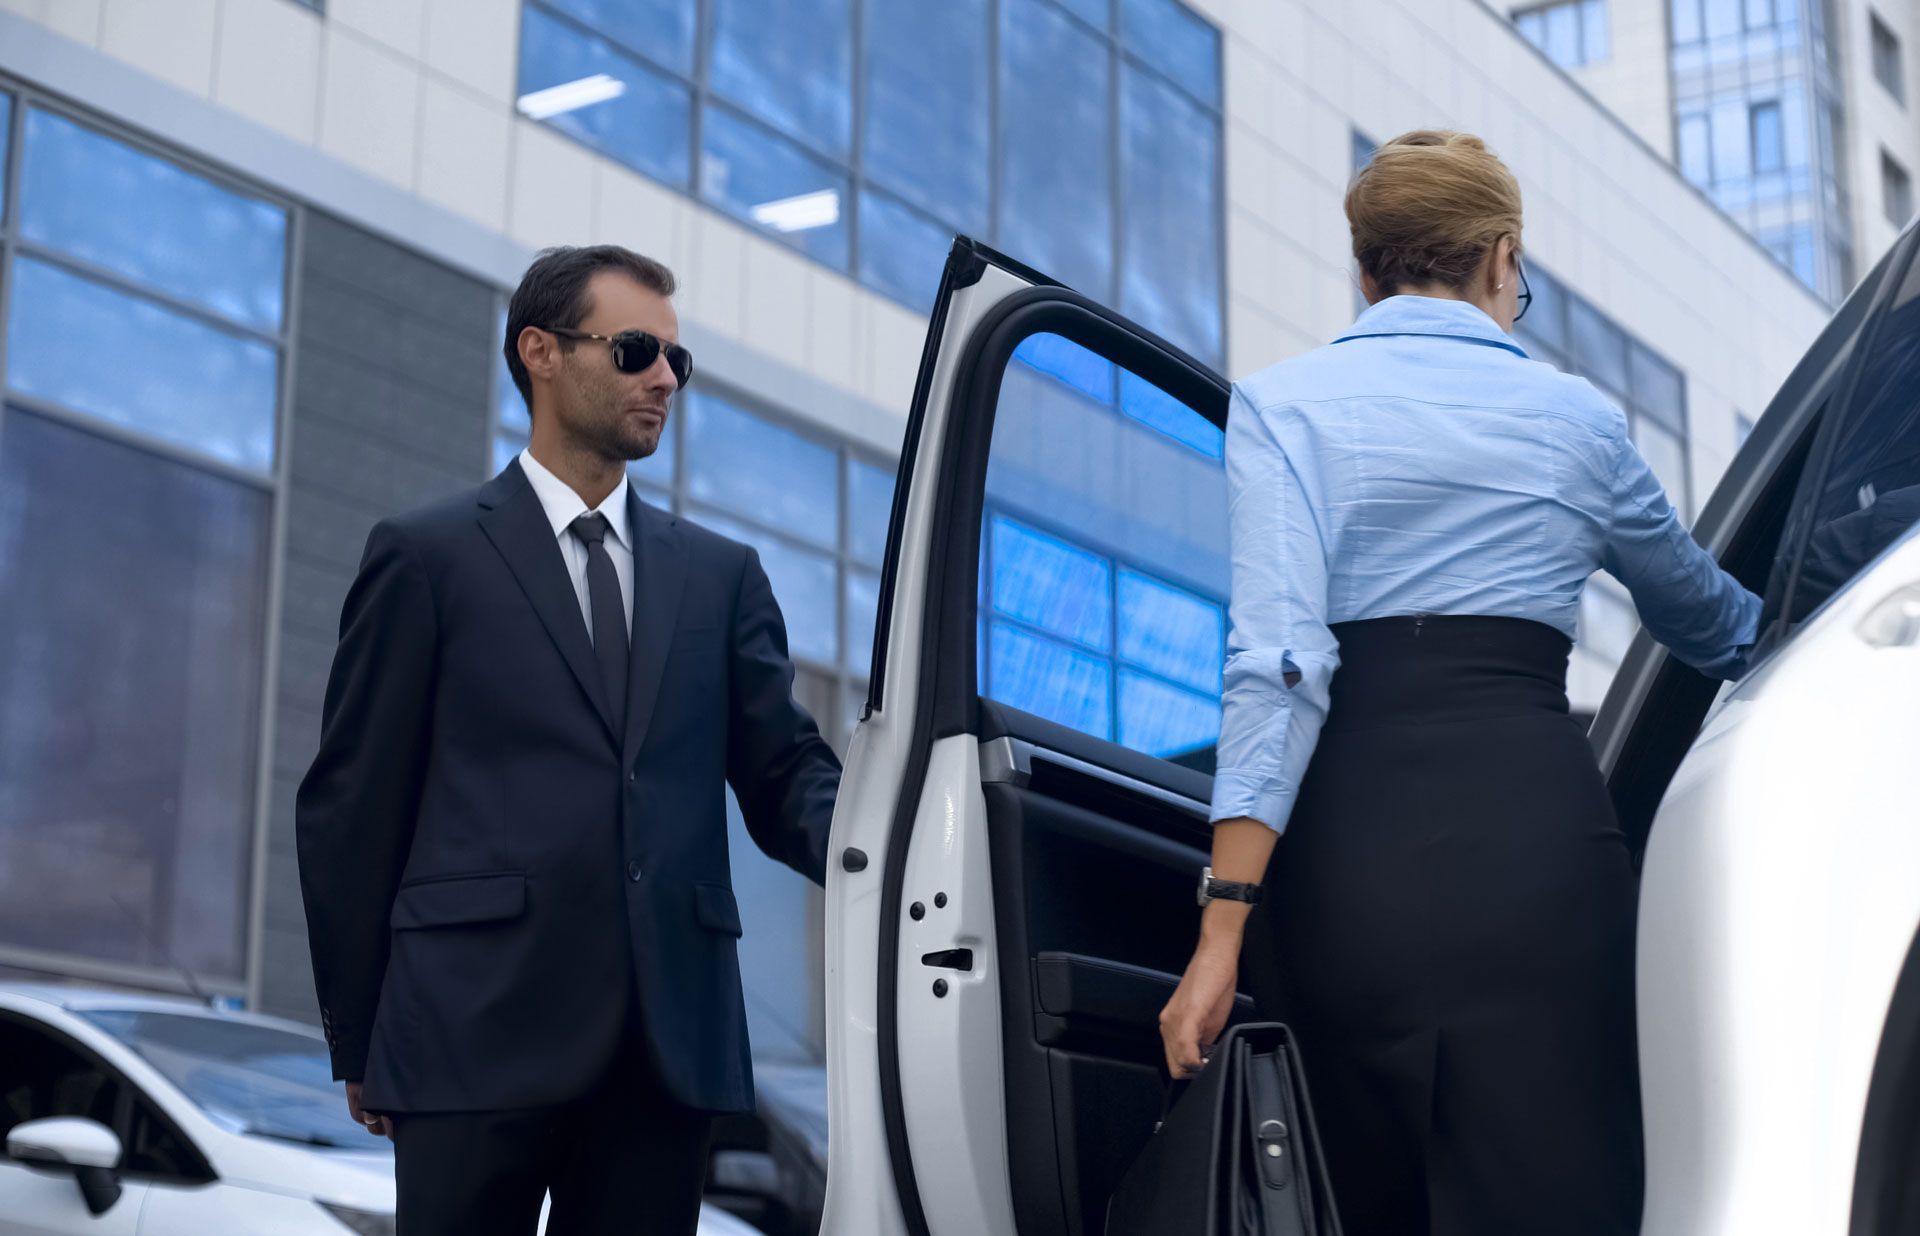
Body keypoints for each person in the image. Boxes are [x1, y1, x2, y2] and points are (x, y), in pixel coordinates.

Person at [1157, 131, 1760, 1235]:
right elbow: (1711, 623)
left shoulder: (1284, 407)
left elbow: (1278, 669)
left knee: (1353, 1193)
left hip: (1350, 865)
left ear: (1365, 269)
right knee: (1559, 1184)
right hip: (1538, 857)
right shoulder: (1579, 421)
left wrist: (1220, 932)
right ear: (1501, 257)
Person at [296, 244, 841, 1235]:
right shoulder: (426, 557)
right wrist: (362, 1034)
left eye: (678, 360)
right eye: (636, 351)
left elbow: (785, 773)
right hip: (465, 1035)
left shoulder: (723, 579)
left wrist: (899, 854)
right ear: (540, 352)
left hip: (662, 1050)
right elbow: (352, 805)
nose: (665, 379)